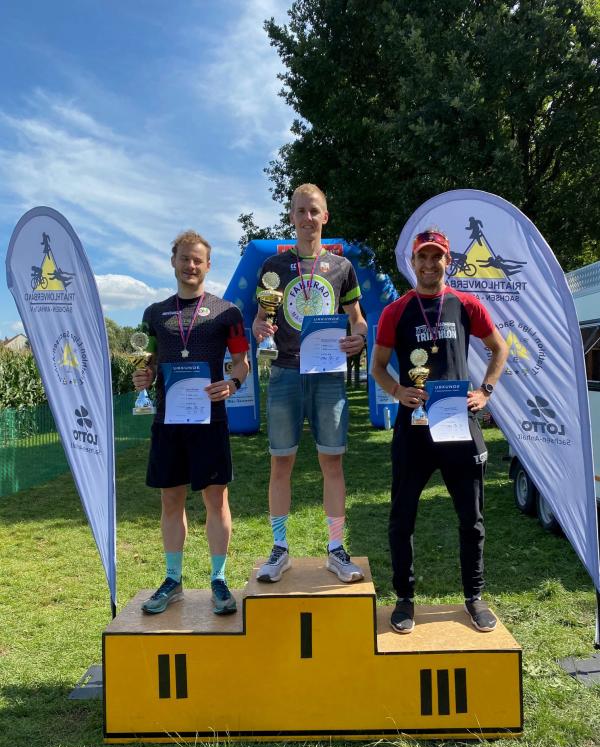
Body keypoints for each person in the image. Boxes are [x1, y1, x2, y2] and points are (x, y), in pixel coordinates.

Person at [370, 228, 508, 634]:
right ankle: (405, 599)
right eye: (423, 257)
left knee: (472, 518)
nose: (429, 264)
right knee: (402, 518)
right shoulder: (396, 311)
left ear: (448, 261)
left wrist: (485, 391)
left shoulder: (465, 304)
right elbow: (378, 366)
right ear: (413, 262)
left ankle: (474, 597)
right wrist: (397, 390)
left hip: (457, 426)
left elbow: (499, 348)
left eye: (437, 257)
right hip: (413, 430)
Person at [252, 183, 368, 583]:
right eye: (300, 211)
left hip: (328, 375)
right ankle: (279, 548)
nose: (307, 218)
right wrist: (259, 329)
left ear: (325, 216)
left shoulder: (341, 267)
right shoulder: (273, 266)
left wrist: (359, 337)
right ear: (291, 217)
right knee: (280, 463)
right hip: (284, 371)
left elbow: (357, 318)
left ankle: (336, 548)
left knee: (331, 462)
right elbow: (259, 320)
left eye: (314, 210)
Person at [133, 230, 249, 616]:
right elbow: (148, 363)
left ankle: (219, 579)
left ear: (208, 265)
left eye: (198, 260)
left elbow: (242, 363)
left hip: (209, 418)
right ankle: (173, 579)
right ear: (173, 261)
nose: (191, 265)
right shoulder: (154, 314)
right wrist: (144, 376)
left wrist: (232, 384)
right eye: (184, 258)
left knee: (216, 499)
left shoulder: (227, 312)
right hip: (169, 420)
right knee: (171, 499)